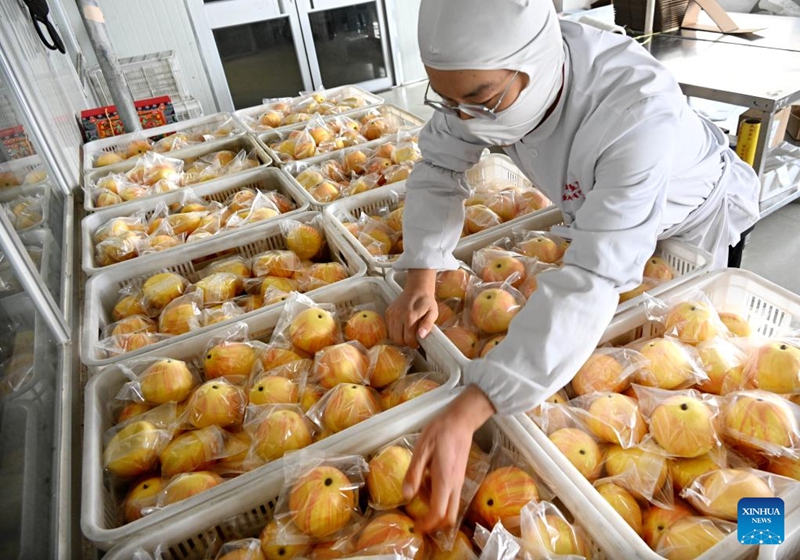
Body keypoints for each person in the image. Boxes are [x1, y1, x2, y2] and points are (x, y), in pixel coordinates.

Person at [385, 0, 760, 534]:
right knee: (645, 373)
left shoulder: (635, 109)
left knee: (701, 376)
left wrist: (474, 404)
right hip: (600, 223)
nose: (463, 116)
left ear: (533, 66)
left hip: (693, 227)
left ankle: (761, 534)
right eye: (446, 101)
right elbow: (439, 165)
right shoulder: (482, 86)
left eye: (479, 99)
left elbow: (594, 276)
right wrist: (422, 270)